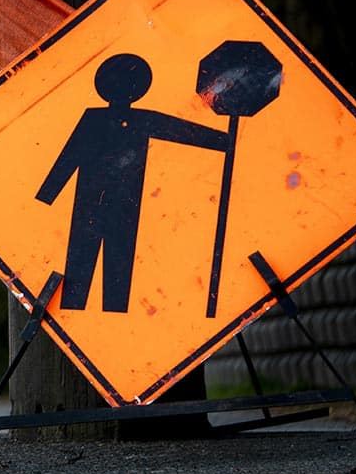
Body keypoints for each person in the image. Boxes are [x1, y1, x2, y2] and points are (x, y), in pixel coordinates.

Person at [36, 53, 228, 312]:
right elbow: (69, 157)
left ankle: (109, 313)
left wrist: (224, 142)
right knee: (83, 268)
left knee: (116, 266)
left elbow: (181, 130)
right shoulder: (98, 119)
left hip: (122, 205)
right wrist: (46, 195)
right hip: (94, 204)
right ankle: (79, 309)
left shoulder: (133, 119)